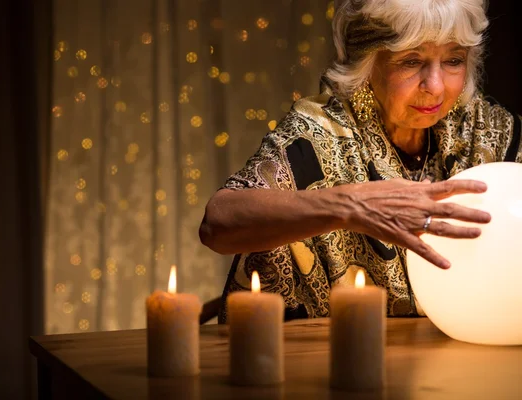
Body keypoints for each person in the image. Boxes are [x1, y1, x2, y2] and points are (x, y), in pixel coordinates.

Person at [199, 0, 522, 323]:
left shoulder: (488, 130)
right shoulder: (320, 133)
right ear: (368, 63)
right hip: (326, 357)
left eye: (454, 60)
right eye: (411, 61)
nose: (435, 87)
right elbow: (218, 223)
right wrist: (349, 207)